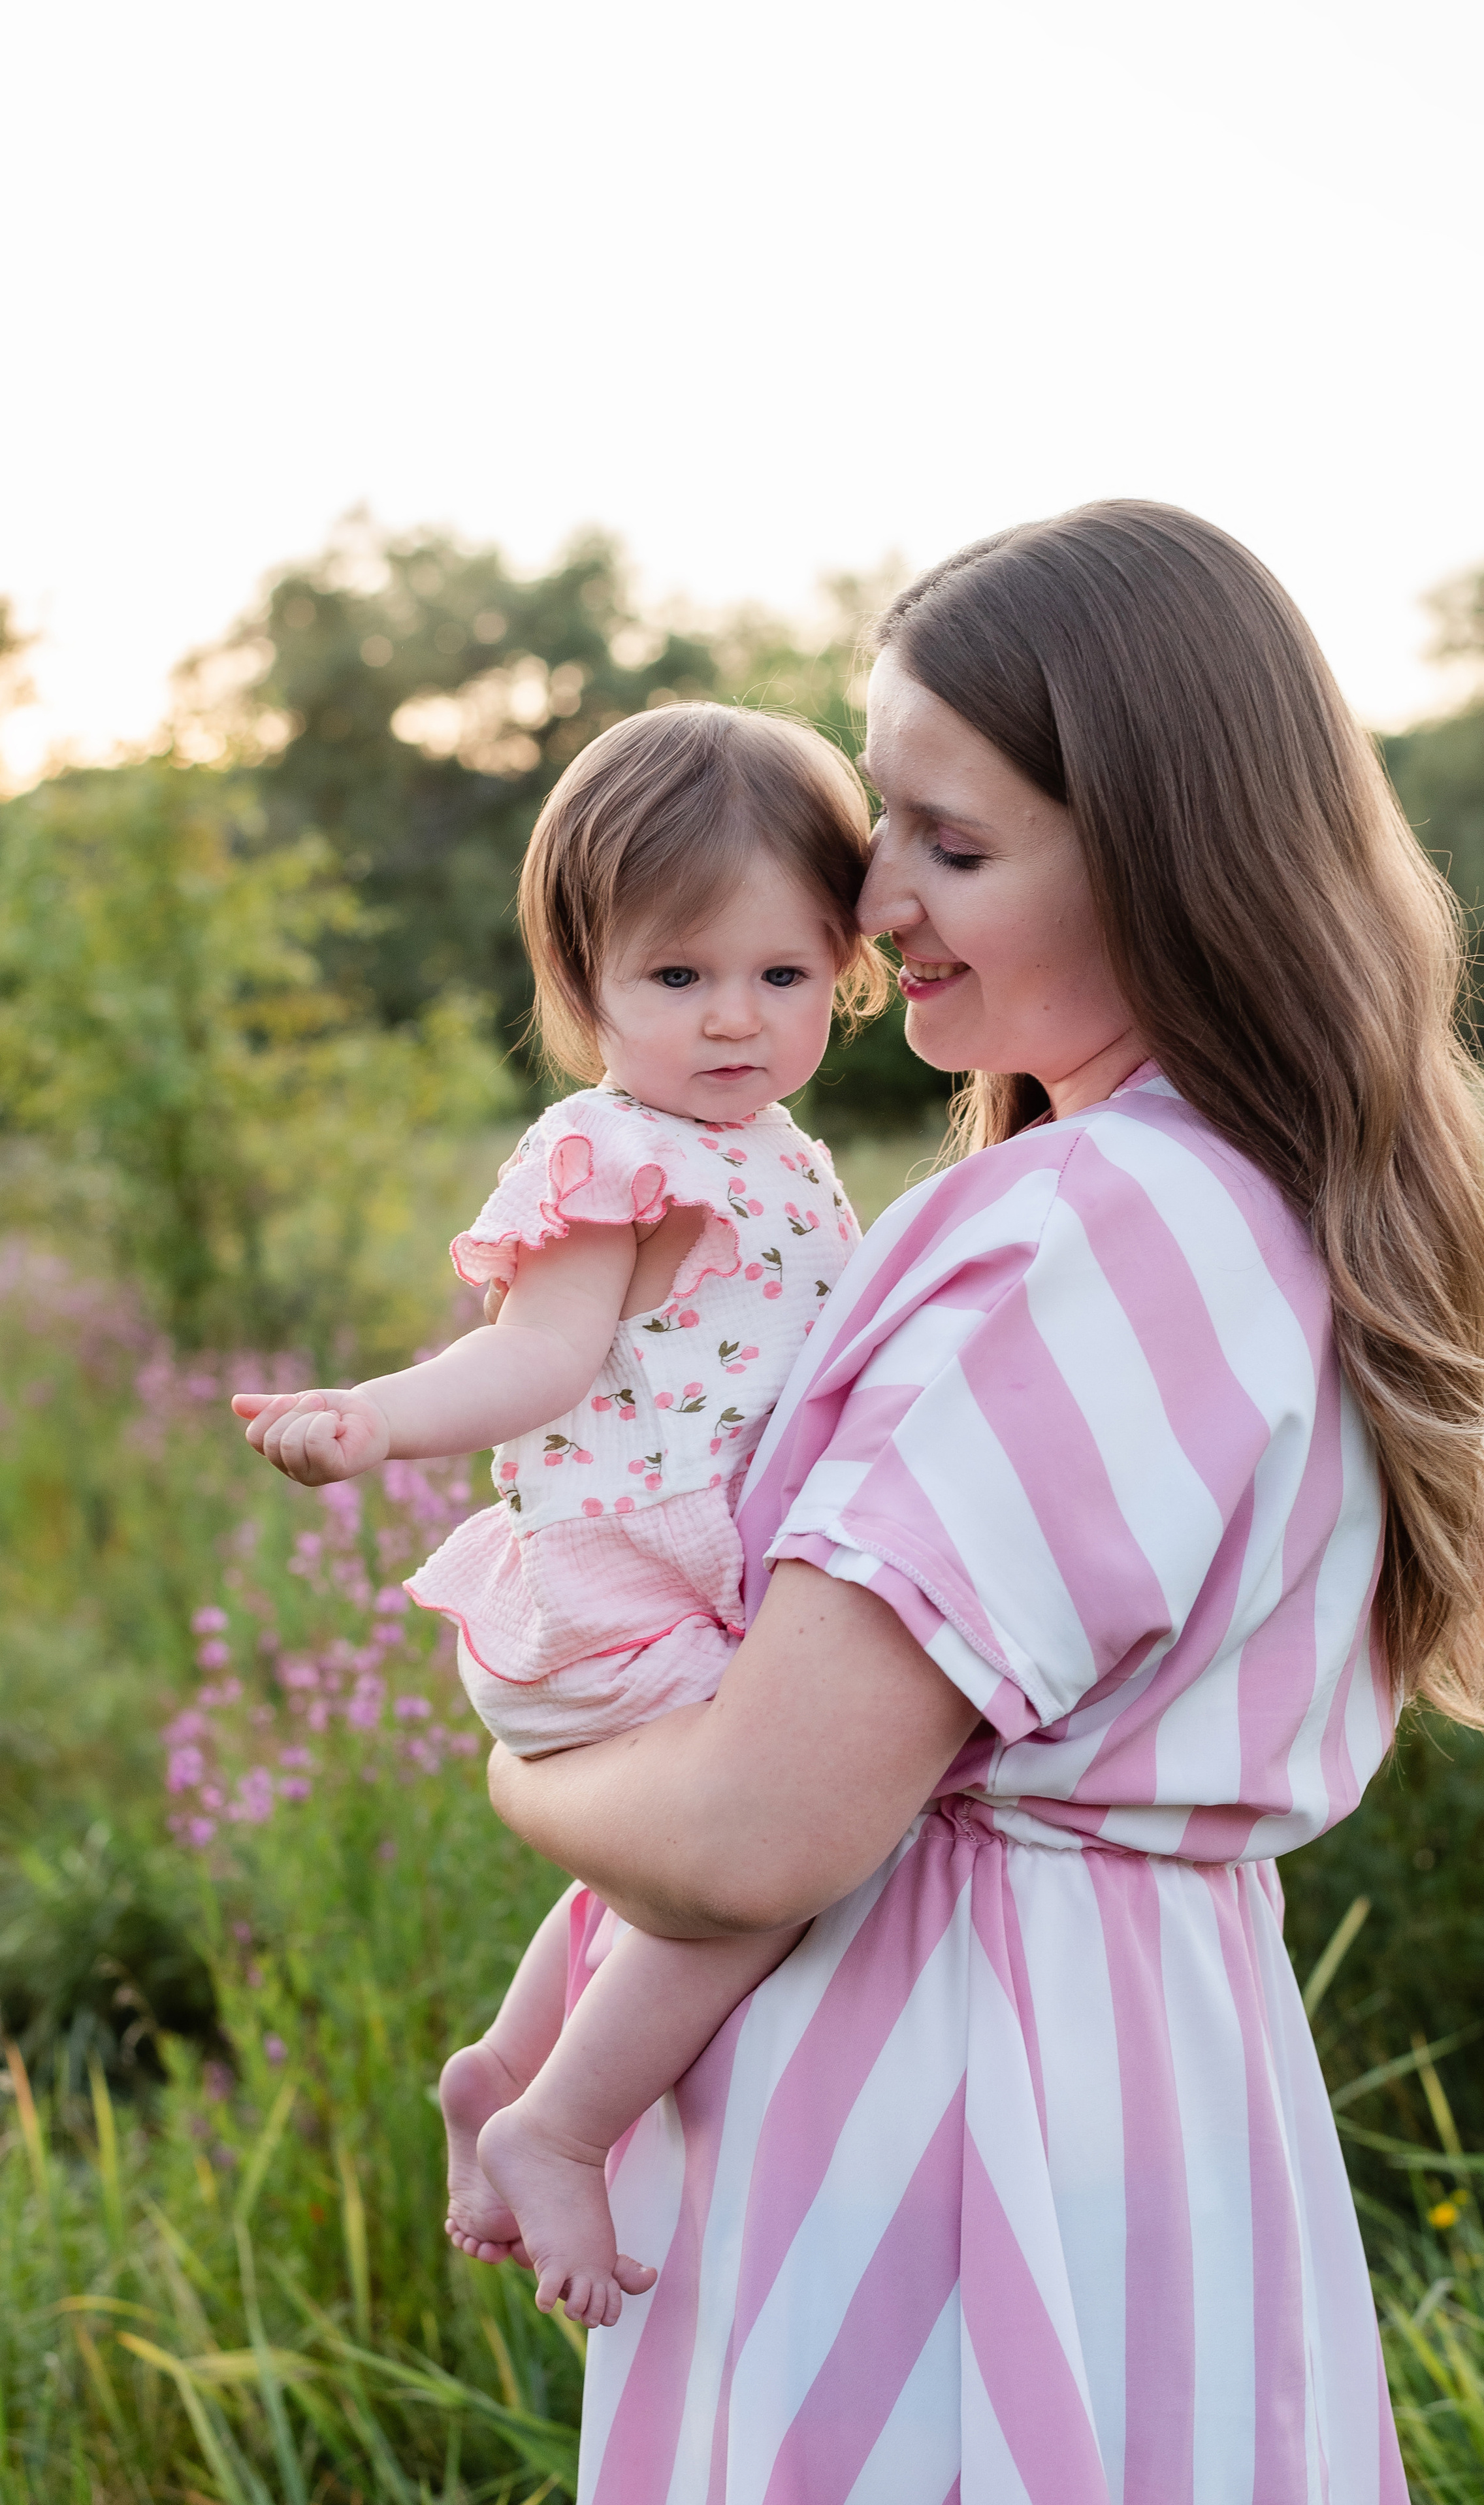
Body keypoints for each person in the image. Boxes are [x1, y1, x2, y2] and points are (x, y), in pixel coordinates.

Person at [483, 502, 1484, 2504]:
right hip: (1141, 2078)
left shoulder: (1093, 1226)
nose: (873, 896)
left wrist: (526, 1764)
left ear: (1164, 859)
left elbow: (759, 1825)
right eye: (883, 820)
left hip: (940, 2100)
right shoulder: (1247, 1199)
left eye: (953, 845)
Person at [231, 703, 887, 2327]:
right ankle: (562, 2124)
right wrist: (375, 1421)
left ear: (846, 966)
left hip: (697, 1578)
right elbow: (537, 1355)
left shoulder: (779, 1151)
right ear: (583, 982)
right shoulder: (614, 1154)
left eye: (780, 973)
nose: (732, 1017)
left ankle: (503, 2063)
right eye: (676, 976)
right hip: (623, 1578)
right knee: (764, 1859)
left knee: (663, 1861)